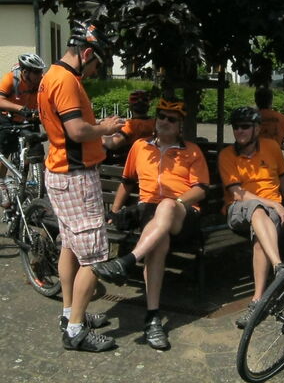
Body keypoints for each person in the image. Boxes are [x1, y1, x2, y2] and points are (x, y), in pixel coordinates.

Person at [91, 98, 210, 350]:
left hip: (183, 214)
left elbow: (200, 189)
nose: (165, 121)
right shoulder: (140, 147)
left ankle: (127, 261)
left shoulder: (191, 151)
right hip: (150, 213)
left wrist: (177, 202)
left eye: (172, 119)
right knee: (158, 243)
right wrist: (114, 211)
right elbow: (127, 182)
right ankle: (152, 317)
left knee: (166, 206)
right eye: (162, 116)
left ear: (180, 126)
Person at [37, 20, 126, 352]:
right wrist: (105, 129)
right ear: (86, 54)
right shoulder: (66, 81)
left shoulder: (51, 76)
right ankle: (75, 330)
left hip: (60, 172)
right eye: (96, 64)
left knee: (70, 247)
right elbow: (76, 131)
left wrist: (98, 130)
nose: (94, 71)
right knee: (94, 257)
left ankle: (69, 313)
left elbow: (67, 129)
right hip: (76, 177)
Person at [218, 106, 284, 329]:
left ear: (257, 128)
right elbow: (237, 193)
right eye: (236, 127)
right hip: (239, 209)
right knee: (256, 207)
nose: (239, 131)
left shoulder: (271, 147)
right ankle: (279, 266)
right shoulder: (227, 155)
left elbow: (283, 180)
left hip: (270, 213)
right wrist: (275, 204)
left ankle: (257, 300)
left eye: (245, 127)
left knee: (261, 241)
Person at [0, 53, 46, 207]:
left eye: (41, 71)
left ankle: (33, 179)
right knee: (4, 151)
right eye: (37, 72)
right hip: (9, 118)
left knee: (36, 146)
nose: (40, 75)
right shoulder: (10, 79)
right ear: (25, 72)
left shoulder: (40, 81)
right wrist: (19, 108)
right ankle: (1, 183)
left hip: (30, 117)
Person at [254, 86, 284, 151]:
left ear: (256, 101)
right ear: (271, 101)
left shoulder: (250, 118)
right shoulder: (282, 118)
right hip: (275, 155)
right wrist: (280, 146)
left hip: (254, 156)